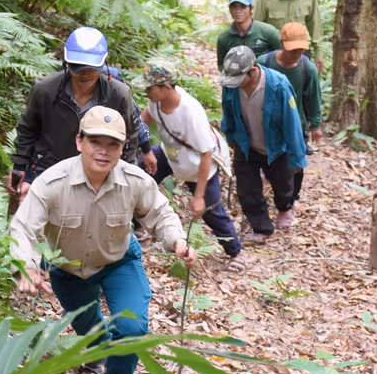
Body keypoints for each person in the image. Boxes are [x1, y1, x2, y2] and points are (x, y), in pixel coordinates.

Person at [11, 106, 197, 374]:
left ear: (123, 148)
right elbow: (24, 227)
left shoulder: (134, 180)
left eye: (113, 144)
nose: (103, 151)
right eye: (95, 141)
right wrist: (25, 266)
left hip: (118, 261)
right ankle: (101, 353)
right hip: (69, 269)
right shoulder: (52, 182)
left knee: (131, 330)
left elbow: (159, 213)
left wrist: (178, 241)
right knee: (92, 332)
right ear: (79, 142)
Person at [9, 27, 142, 205]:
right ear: (66, 62)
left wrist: (126, 174)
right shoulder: (45, 90)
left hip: (98, 174)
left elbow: (129, 137)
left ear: (103, 63)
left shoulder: (118, 95)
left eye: (91, 67)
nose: (85, 73)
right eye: (77, 67)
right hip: (48, 169)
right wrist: (19, 167)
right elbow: (28, 129)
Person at [137, 63, 244, 270]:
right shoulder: (156, 102)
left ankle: (235, 252)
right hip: (170, 154)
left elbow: (206, 154)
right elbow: (142, 122)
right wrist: (146, 150)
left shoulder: (190, 112)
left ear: (166, 87)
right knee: (139, 177)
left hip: (197, 165)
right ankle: (135, 227)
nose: (146, 92)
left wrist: (199, 196)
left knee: (211, 210)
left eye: (150, 88)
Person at [220, 45, 307, 238]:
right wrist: (231, 136)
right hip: (247, 142)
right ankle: (262, 227)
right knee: (246, 188)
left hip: (276, 145)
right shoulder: (232, 86)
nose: (235, 83)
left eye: (239, 79)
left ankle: (285, 207)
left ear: (252, 71)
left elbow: (292, 124)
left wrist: (296, 159)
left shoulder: (278, 85)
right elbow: (228, 112)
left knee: (283, 183)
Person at [257, 22, 323, 203]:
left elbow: (313, 98)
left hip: (296, 123)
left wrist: (315, 124)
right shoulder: (265, 63)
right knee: (269, 157)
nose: (296, 53)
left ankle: (292, 198)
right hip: (267, 121)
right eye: (292, 49)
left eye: (300, 50)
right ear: (281, 44)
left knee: (296, 162)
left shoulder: (308, 69)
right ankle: (271, 184)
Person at [216, 0, 281, 71]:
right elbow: (221, 64)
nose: (238, 11)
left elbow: (280, 57)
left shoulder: (268, 32)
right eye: (234, 7)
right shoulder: (224, 38)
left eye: (242, 7)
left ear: (251, 8)